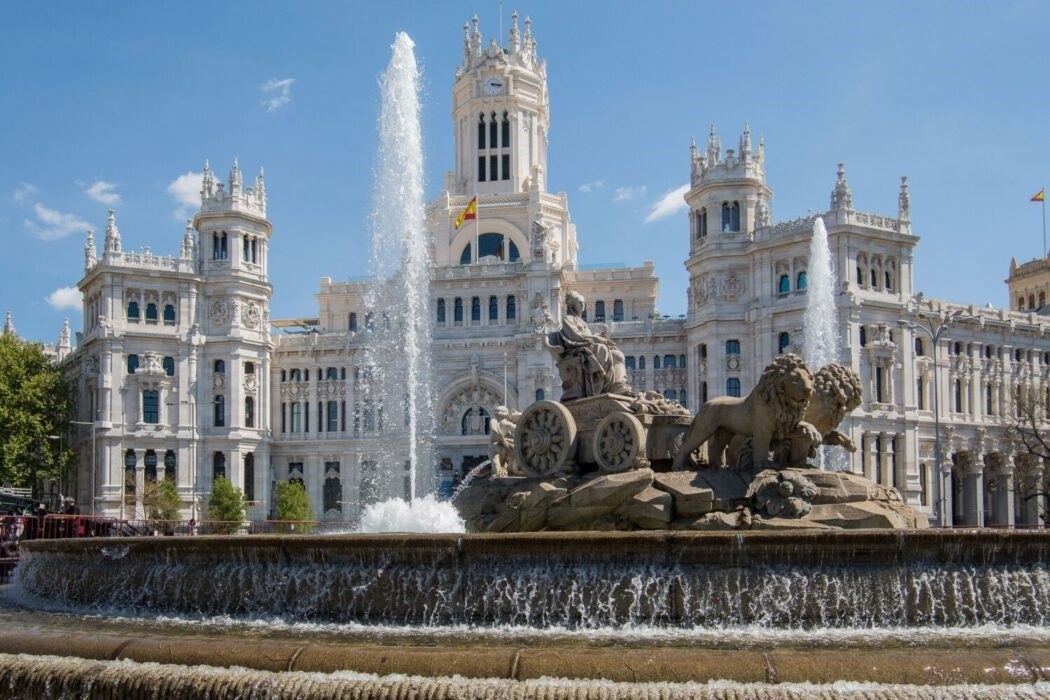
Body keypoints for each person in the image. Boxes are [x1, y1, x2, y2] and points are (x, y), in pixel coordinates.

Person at [547, 291, 632, 400]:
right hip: (576, 349)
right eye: (579, 302)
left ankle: (617, 384)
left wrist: (599, 336)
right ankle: (600, 384)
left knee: (617, 354)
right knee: (602, 349)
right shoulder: (568, 319)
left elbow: (587, 336)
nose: (583, 305)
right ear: (572, 304)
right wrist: (596, 339)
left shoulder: (582, 322)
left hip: (586, 346)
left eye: (583, 303)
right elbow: (575, 336)